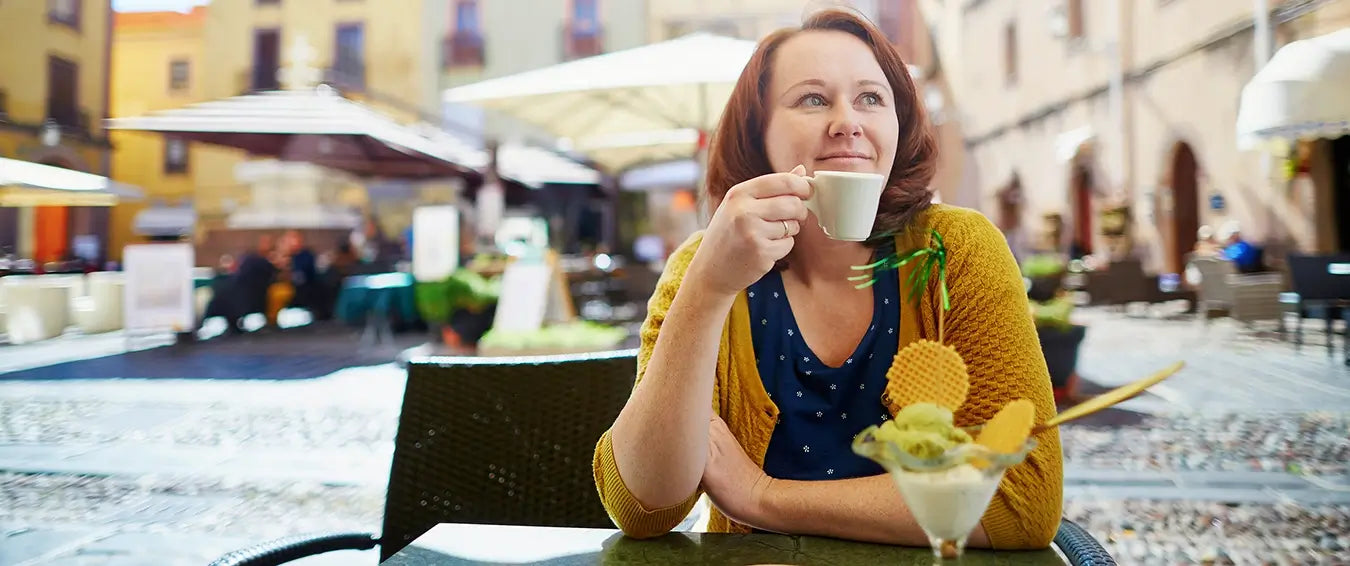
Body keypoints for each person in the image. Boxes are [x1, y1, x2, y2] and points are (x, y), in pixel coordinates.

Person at [593, 9, 1062, 549]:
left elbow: (1022, 501)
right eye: (812, 99)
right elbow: (644, 504)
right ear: (758, 135)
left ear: (898, 126)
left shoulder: (957, 250)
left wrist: (763, 496)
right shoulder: (706, 266)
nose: (848, 121)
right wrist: (707, 288)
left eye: (871, 98)